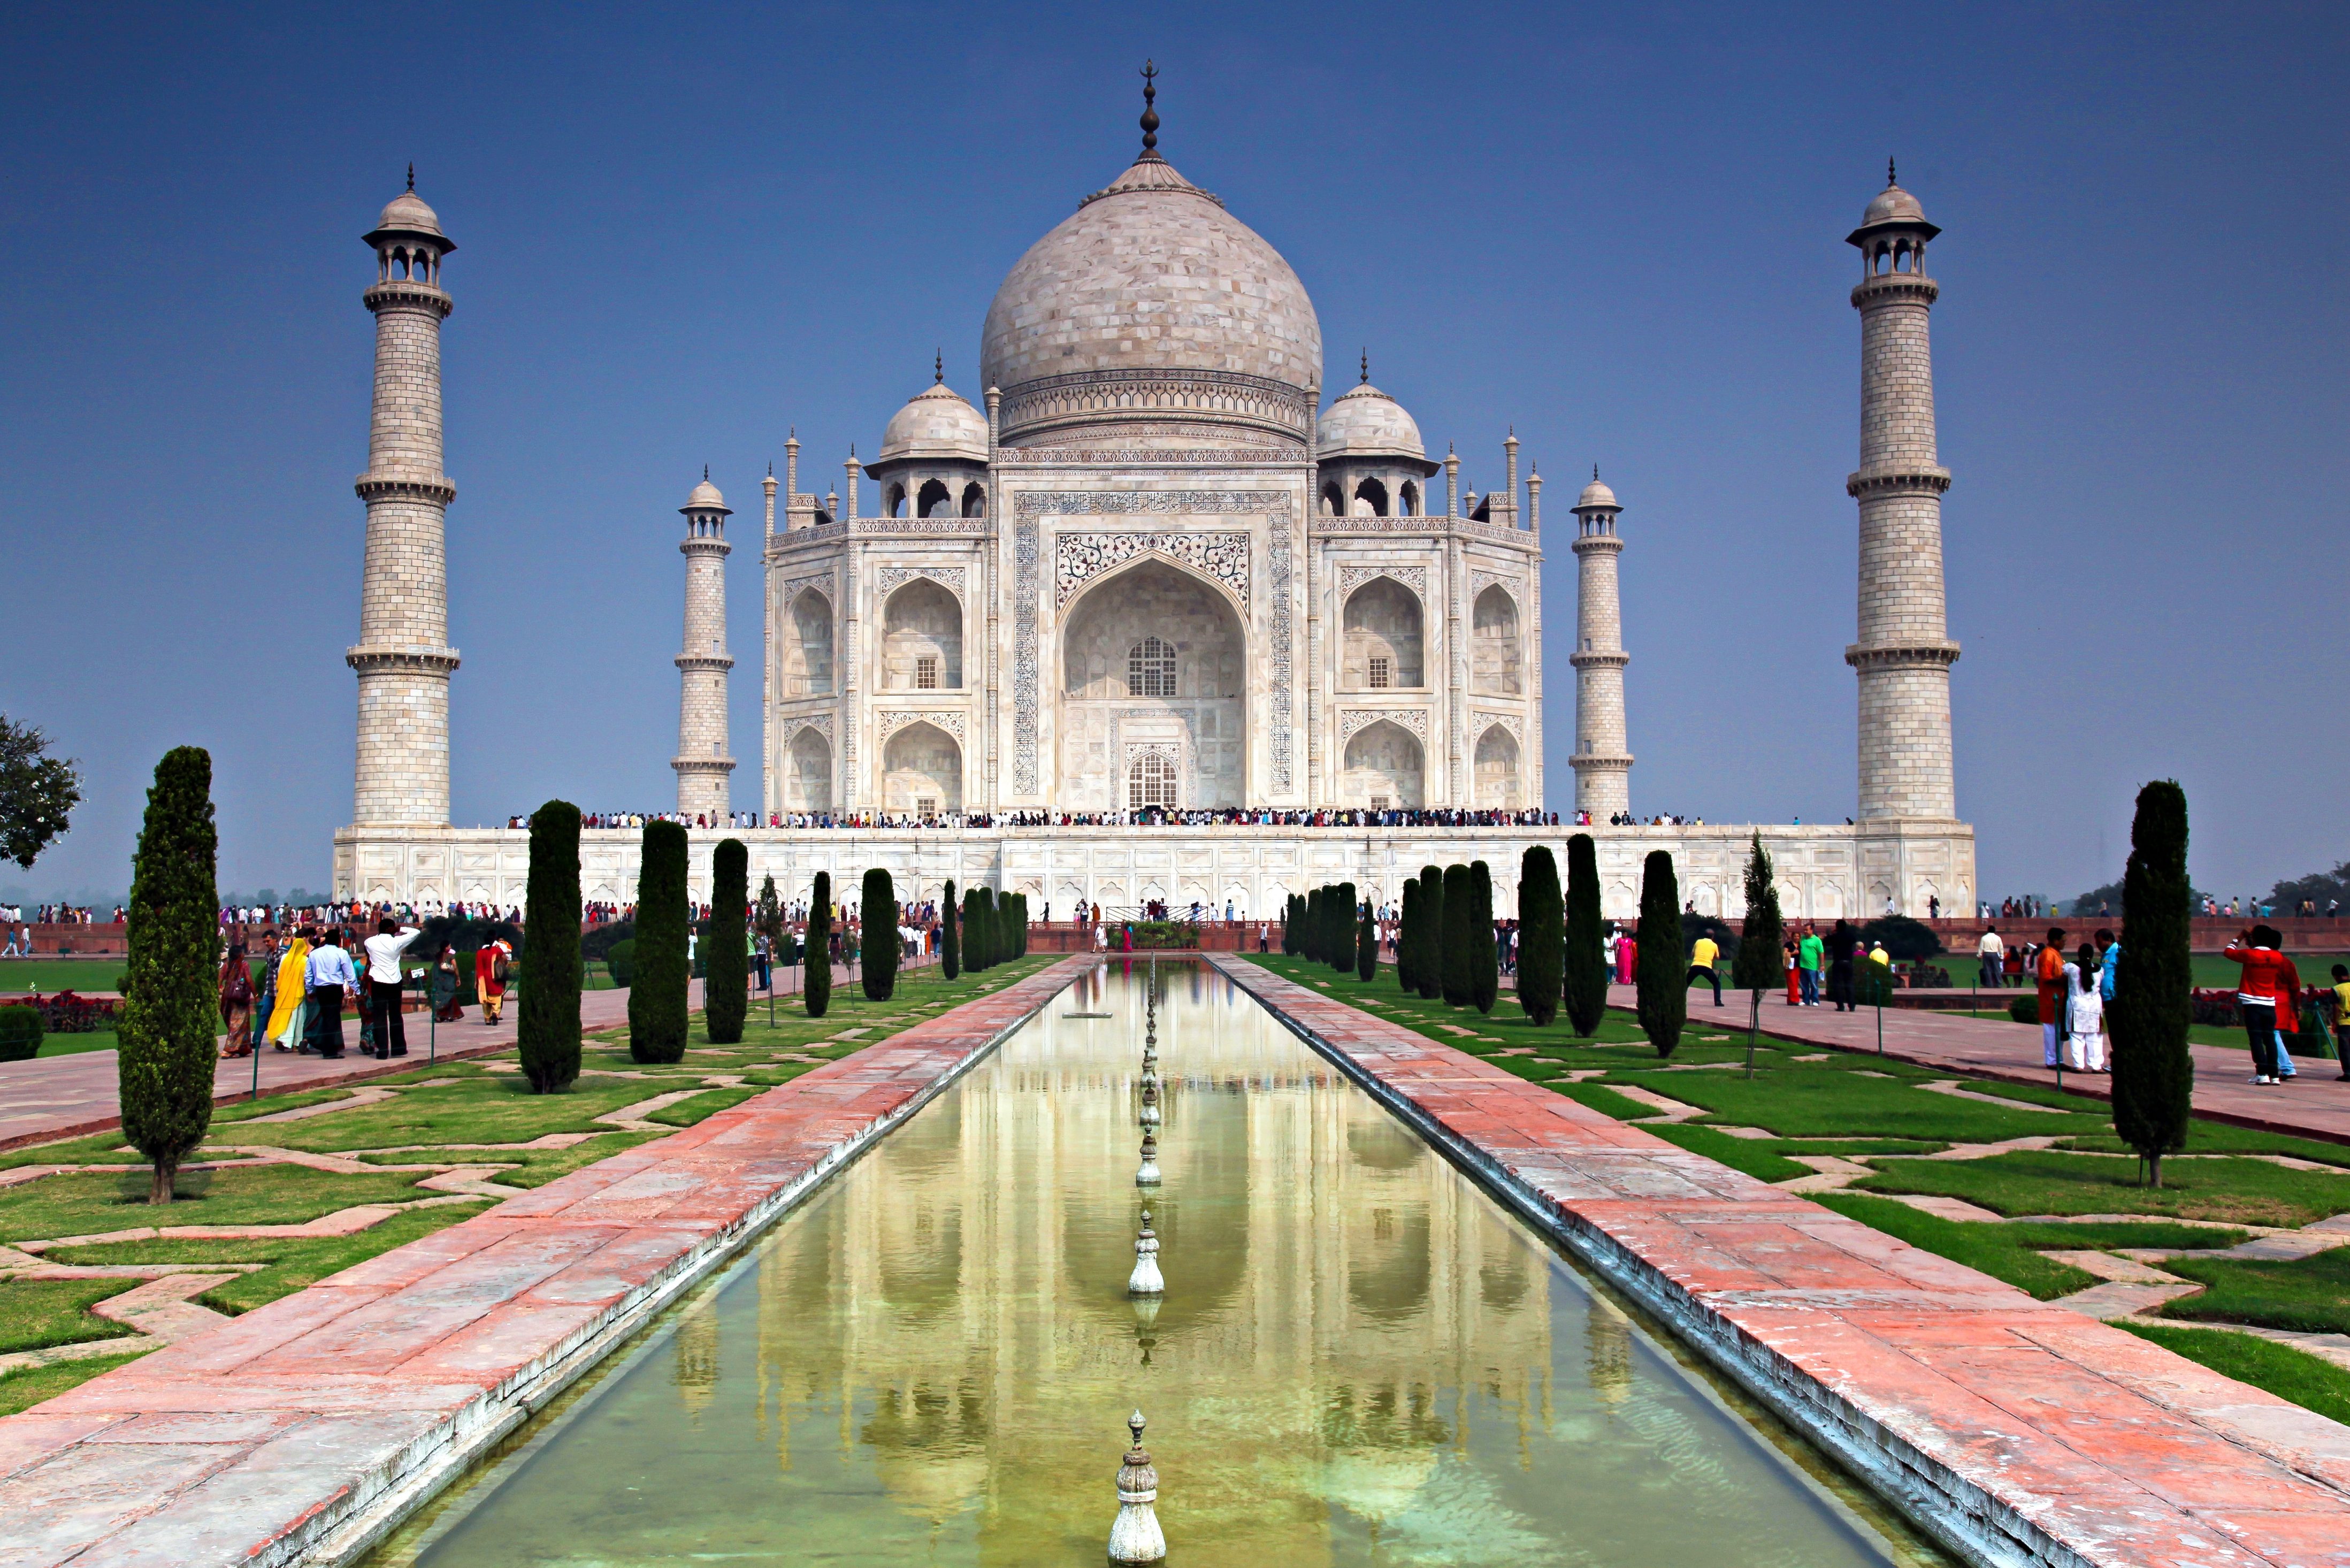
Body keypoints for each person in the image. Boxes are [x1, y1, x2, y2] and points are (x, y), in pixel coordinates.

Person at [2221, 924, 2292, 1084]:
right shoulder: (2277, 956)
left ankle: (2262, 1073)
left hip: (2252, 1002)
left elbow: (2228, 951)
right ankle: (2274, 1075)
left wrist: (2240, 936)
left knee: (2256, 1039)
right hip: (2269, 1003)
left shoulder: (2251, 954)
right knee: (2270, 1039)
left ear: (2255, 938)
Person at [362, 916, 422, 1060]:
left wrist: (394, 930)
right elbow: (416, 933)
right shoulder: (396, 942)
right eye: (393, 928)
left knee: (380, 1017)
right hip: (395, 982)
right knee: (395, 1016)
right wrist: (400, 929)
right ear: (390, 929)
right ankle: (398, 1049)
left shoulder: (369, 942)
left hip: (378, 982)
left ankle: (382, 1050)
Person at [304, 929, 359, 1060]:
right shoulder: (341, 953)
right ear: (338, 940)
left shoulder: (314, 954)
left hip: (321, 989)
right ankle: (330, 1050)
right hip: (335, 989)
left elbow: (309, 975)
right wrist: (357, 991)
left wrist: (310, 991)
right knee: (332, 1019)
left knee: (326, 1017)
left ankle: (327, 1047)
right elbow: (350, 975)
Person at [266, 928, 312, 1052]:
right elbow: (307, 978)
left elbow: (280, 973)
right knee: (298, 1018)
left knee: (286, 1016)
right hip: (298, 993)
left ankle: (283, 1039)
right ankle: (296, 1043)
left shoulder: (285, 958)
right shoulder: (305, 960)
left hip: (285, 991)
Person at [2065, 942, 2107, 1072]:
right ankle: (2096, 1065)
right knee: (2095, 1036)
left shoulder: (2071, 967)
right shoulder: (2100, 969)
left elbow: (2063, 971)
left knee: (2077, 1036)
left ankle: (2079, 1065)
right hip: (2094, 1005)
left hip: (2077, 1004)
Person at [2034, 927, 2068, 1068]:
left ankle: (2058, 1060)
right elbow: (2046, 977)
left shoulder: (2056, 954)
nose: (2065, 943)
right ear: (2055, 941)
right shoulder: (2048, 955)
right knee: (2051, 1031)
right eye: (2063, 941)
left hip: (2058, 999)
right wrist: (2064, 980)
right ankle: (2052, 1061)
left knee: (2059, 1032)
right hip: (2050, 999)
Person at [217, 942, 254, 1057]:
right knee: (237, 1025)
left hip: (227, 998)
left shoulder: (226, 966)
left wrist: (221, 990)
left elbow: (219, 980)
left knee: (234, 1024)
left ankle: (242, 1048)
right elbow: (249, 980)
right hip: (239, 999)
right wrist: (257, 995)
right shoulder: (244, 965)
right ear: (240, 955)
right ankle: (228, 1050)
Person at [476, 936, 512, 1024]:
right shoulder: (497, 951)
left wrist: (476, 981)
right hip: (495, 977)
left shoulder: (480, 953)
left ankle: (487, 1018)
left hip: (483, 978)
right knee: (497, 997)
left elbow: (477, 968)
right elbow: (505, 960)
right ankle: (495, 1013)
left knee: (485, 998)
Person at [1686, 929, 1723, 1006]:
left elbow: (1692, 954)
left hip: (1695, 965)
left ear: (1704, 935)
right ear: (1713, 937)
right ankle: (1718, 1002)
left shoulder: (1698, 942)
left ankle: (1680, 999)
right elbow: (1717, 957)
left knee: (1686, 983)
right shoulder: (1714, 945)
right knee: (1716, 983)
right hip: (1706, 967)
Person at [1825, 921, 1855, 1012]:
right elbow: (1854, 939)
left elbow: (1825, 942)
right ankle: (1852, 1005)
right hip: (1849, 962)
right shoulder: (1850, 936)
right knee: (1849, 984)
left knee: (1838, 985)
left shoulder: (1835, 937)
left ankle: (1841, 1006)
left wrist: (1830, 934)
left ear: (1837, 927)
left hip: (1838, 962)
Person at [2328, 965, 2350, 1081]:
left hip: (2345, 1022)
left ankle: (2348, 1073)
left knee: (2345, 1049)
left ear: (2336, 977)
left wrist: (2335, 1023)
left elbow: (2336, 1008)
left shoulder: (2337, 989)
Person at [1797, 925, 1824, 1007]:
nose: (1805, 932)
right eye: (1804, 930)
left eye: (1807, 930)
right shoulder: (1803, 939)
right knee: (1804, 984)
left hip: (1812, 966)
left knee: (1814, 984)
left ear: (1812, 930)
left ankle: (1815, 1000)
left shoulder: (1817, 940)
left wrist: (1822, 964)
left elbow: (1821, 952)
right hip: (1803, 966)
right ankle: (1806, 1000)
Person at [1976, 924, 2004, 989]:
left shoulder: (1984, 938)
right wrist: (2002, 956)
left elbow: (1981, 948)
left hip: (1987, 954)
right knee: (1997, 969)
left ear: (1988, 930)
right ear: (1995, 931)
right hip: (1995, 954)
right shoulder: (1998, 938)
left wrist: (1979, 955)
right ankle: (1999, 984)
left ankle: (1989, 984)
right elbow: (2001, 948)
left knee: (1987, 970)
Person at [1783, 938, 1801, 1006]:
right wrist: (1793, 953)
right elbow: (1785, 954)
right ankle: (1795, 1000)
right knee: (1792, 983)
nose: (1797, 938)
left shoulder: (1800, 945)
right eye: (1795, 936)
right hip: (1790, 966)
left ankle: (1790, 1000)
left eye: (1798, 936)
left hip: (1798, 966)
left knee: (1795, 983)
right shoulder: (1788, 944)